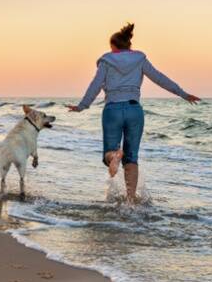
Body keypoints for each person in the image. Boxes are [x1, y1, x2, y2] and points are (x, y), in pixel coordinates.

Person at [66, 23, 200, 204]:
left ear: (114, 46)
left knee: (110, 151)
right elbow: (160, 78)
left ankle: (113, 156)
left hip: (112, 109)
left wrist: (82, 106)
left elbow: (95, 86)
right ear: (129, 45)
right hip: (134, 110)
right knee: (131, 158)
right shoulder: (139, 59)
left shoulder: (107, 61)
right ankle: (130, 200)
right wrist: (183, 94)